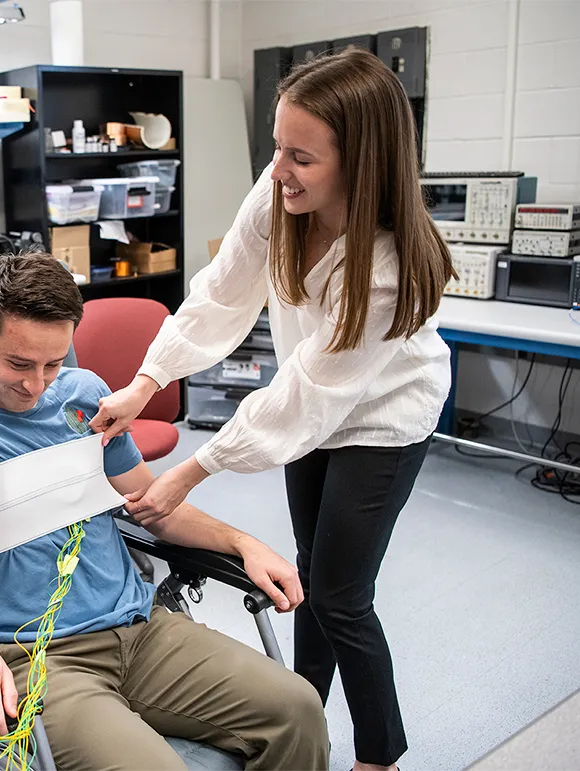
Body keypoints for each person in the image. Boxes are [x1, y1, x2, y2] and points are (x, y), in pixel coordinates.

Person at [90, 49, 455, 771]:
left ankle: (379, 755)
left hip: (382, 418)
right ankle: (302, 716)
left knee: (344, 597)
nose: (280, 170)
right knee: (313, 577)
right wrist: (145, 380)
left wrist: (191, 471)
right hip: (313, 405)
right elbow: (222, 290)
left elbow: (305, 397)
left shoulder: (388, 269)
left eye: (302, 158)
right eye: (279, 148)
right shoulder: (282, 188)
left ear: (362, 162)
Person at [0, 253, 329, 771]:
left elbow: (152, 507)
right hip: (36, 657)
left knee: (299, 710)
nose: (37, 385)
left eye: (53, 363)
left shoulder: (85, 396)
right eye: (18, 364)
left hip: (140, 630)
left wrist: (241, 542)